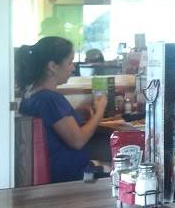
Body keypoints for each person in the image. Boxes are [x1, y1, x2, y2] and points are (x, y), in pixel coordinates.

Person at [16, 37, 107, 183]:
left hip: (57, 172)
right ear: (53, 66)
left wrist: (74, 113)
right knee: (117, 168)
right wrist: (100, 112)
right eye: (70, 62)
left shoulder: (30, 95)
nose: (73, 68)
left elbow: (53, 122)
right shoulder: (51, 99)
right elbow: (78, 141)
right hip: (73, 176)